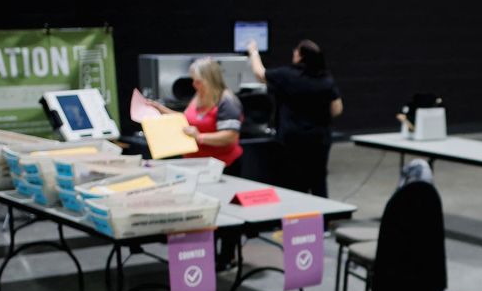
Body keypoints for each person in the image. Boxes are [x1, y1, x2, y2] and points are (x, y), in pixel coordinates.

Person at [247, 39, 343, 197]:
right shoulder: (325, 78)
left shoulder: (288, 75)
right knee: (318, 179)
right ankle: (325, 218)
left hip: (293, 138)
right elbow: (337, 108)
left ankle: (297, 218)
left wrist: (253, 52)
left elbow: (259, 73)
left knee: (294, 181)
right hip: (320, 138)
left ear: (299, 56)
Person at [147, 57, 244, 175]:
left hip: (221, 166)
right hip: (195, 164)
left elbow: (230, 136)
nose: (194, 85)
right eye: (192, 80)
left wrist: (199, 137)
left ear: (209, 80)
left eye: (198, 81)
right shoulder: (199, 95)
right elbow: (185, 120)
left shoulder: (227, 101)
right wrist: (161, 110)